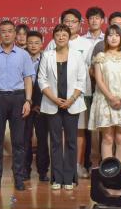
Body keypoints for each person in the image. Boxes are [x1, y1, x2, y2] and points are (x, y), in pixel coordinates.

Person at [0, 21, 36, 191]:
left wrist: (28, 100)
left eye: (10, 31)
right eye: (3, 31)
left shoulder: (23, 55)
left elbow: (28, 78)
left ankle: (18, 177)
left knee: (18, 142)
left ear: (15, 34)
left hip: (18, 98)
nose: (7, 34)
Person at [37, 24, 88, 190]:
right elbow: (41, 79)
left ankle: (70, 178)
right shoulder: (47, 55)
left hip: (72, 104)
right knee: (56, 142)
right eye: (57, 34)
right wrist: (54, 98)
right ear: (53, 37)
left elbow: (82, 79)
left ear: (68, 37)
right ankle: (56, 178)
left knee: (71, 141)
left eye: (64, 35)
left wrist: (71, 99)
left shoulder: (77, 56)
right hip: (52, 104)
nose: (60, 37)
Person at [88, 25, 121, 164]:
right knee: (107, 138)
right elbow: (99, 80)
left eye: (117, 35)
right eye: (110, 35)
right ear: (106, 38)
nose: (113, 38)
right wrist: (111, 97)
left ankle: (120, 170)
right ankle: (108, 171)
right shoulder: (100, 57)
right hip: (105, 100)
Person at [23, 30, 50, 182]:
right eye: (30, 43)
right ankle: (24, 170)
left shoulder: (47, 59)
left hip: (42, 106)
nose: (33, 46)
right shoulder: (21, 58)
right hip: (24, 105)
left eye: (36, 43)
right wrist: (27, 102)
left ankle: (43, 171)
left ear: (42, 44)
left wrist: (39, 103)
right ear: (26, 44)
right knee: (24, 139)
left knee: (42, 140)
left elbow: (50, 83)